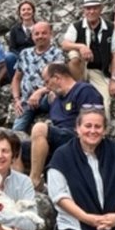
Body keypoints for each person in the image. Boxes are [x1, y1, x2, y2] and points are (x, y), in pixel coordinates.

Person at [16, 63, 103, 191]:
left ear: (56, 78)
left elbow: (95, 120)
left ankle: (34, 181)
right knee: (14, 146)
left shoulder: (84, 91)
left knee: (39, 128)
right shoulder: (55, 99)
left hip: (76, 138)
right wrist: (40, 92)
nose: (46, 86)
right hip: (56, 142)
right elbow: (31, 104)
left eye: (47, 82)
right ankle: (17, 187)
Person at [62, 0, 115, 112]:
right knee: (74, 55)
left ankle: (103, 121)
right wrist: (81, 46)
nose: (91, 11)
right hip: (80, 68)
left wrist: (113, 80)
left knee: (105, 102)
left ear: (101, 9)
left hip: (98, 71)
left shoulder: (111, 28)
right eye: (88, 8)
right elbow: (65, 44)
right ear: (84, 10)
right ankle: (78, 87)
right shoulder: (76, 26)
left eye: (95, 8)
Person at [10, 22, 63, 133]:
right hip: (27, 101)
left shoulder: (57, 54)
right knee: (16, 132)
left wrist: (39, 92)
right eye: (37, 34)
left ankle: (59, 127)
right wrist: (16, 99)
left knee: (54, 95)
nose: (40, 36)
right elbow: (16, 78)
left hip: (46, 98)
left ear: (50, 34)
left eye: (44, 33)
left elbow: (58, 81)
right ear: (32, 36)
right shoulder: (25, 53)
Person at [4, 0, 37, 83]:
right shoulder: (14, 29)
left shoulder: (39, 27)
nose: (26, 12)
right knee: (9, 57)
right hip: (19, 56)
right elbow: (12, 48)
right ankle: (15, 82)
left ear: (33, 12)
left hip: (36, 54)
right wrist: (21, 56)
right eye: (23, 10)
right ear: (20, 13)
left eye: (29, 9)